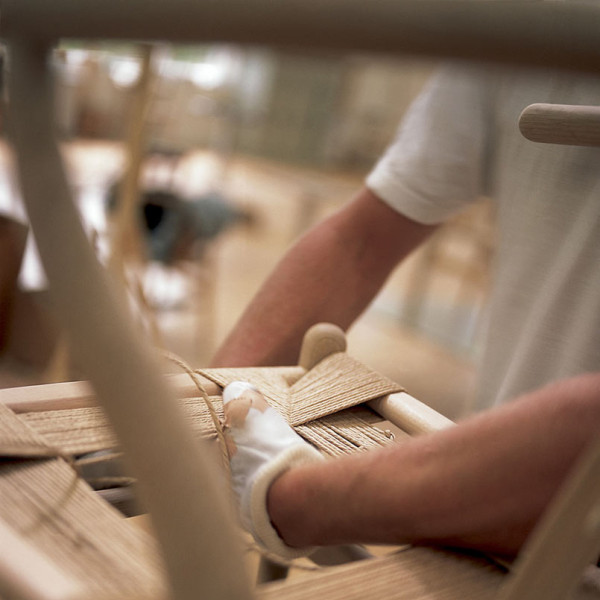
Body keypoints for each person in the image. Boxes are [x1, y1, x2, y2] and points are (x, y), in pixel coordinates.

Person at [211, 62, 600, 560]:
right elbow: (362, 242)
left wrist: (287, 498)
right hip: (489, 543)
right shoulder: (519, 35)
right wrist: (210, 407)